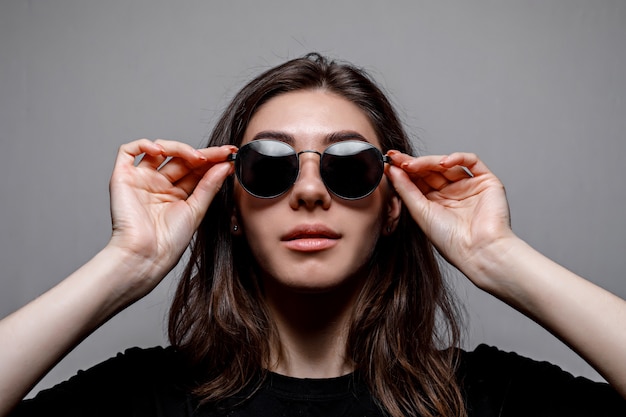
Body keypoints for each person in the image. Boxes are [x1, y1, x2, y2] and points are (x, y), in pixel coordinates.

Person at [1, 53, 625, 417]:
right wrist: (127, 260)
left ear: (393, 204)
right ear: (232, 207)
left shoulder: (480, 399)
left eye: (349, 166)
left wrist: (500, 257)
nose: (308, 191)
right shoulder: (142, 399)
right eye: (269, 166)